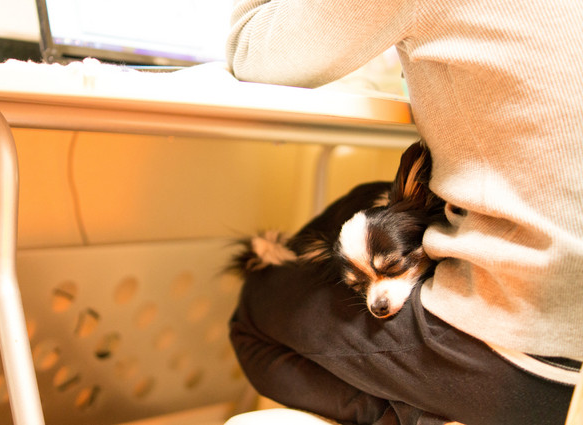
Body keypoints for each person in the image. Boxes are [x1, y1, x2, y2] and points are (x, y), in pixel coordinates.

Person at [225, 1, 583, 424]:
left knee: (253, 314)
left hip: (529, 361)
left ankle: (409, 417)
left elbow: (251, 54)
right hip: (567, 360)